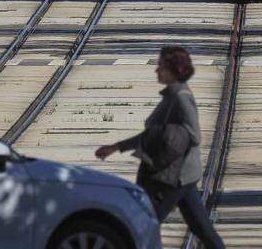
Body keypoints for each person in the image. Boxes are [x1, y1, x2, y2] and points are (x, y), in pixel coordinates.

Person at [96, 46, 224, 249]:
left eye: (161, 67)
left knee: (143, 225)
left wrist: (169, 147)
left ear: (174, 69)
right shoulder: (172, 95)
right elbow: (154, 134)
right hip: (183, 176)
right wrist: (116, 147)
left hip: (171, 178)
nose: (157, 71)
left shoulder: (180, 97)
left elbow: (194, 135)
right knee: (203, 230)